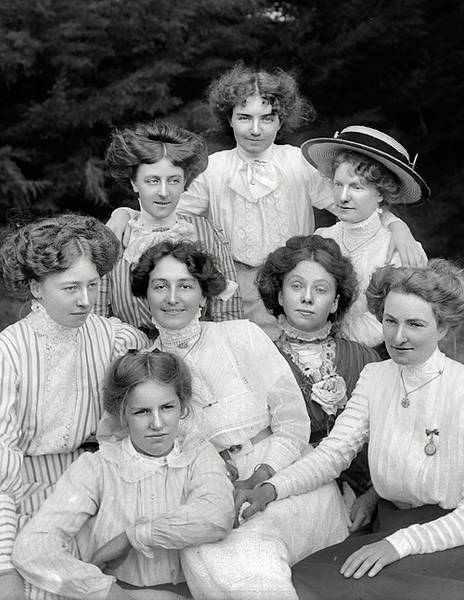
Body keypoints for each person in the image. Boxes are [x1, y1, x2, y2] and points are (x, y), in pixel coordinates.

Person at [108, 63, 424, 339]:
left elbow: (352, 207)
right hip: (234, 292)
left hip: (292, 286)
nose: (255, 129)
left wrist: (397, 227)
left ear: (280, 120)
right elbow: (165, 210)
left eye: (267, 118)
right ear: (228, 119)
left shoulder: (297, 163)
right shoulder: (214, 168)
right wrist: (124, 212)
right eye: (244, 117)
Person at [122, 239, 350, 600]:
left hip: (285, 475)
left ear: (203, 296)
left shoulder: (242, 336)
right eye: (160, 286)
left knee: (250, 551)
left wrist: (260, 477)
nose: (172, 298)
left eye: (185, 286)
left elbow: (292, 425)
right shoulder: (145, 370)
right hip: (212, 493)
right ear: (144, 297)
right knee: (216, 562)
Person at [237, 259, 464, 599]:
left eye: (415, 324)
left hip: (445, 537)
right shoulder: (376, 377)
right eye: (390, 321)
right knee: (300, 581)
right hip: (386, 526)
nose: (398, 337)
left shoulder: (460, 388)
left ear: (443, 327)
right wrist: (271, 489)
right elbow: (333, 453)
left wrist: (397, 545)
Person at [0, 214, 149, 600]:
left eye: (91, 285)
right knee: (30, 583)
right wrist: (2, 565)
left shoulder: (113, 337)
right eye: (69, 288)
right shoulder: (9, 351)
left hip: (93, 479)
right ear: (35, 287)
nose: (85, 301)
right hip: (20, 487)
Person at [12, 350, 234, 600]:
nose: (158, 424)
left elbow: (217, 516)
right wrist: (102, 590)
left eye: (167, 407)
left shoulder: (199, 456)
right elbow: (31, 547)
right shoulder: (98, 467)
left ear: (182, 406)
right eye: (142, 412)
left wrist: (132, 537)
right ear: (122, 414)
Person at [257, 234, 380, 514]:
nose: (307, 298)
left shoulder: (365, 359)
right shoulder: (261, 360)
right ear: (279, 294)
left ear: (336, 303)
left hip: (368, 494)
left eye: (321, 290)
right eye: (296, 286)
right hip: (295, 494)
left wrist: (373, 496)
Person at [95, 120, 242, 332]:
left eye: (173, 180)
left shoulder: (206, 232)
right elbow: (96, 319)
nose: (164, 192)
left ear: (184, 183)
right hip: (134, 356)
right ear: (135, 183)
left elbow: (229, 315)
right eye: (153, 181)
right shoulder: (115, 237)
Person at [302, 125, 430, 348]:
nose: (342, 197)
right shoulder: (321, 238)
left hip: (374, 356)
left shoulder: (399, 249)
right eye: (338, 184)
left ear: (381, 193)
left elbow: (387, 320)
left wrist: (334, 344)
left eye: (356, 187)